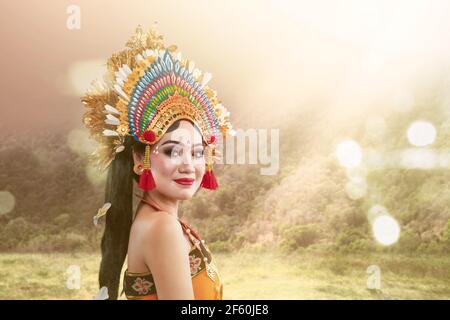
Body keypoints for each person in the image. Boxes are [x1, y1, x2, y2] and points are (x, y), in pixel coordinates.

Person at [81, 25, 233, 300]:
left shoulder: (152, 218)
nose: (189, 165)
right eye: (173, 151)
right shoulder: (163, 228)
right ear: (140, 159)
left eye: (197, 152)